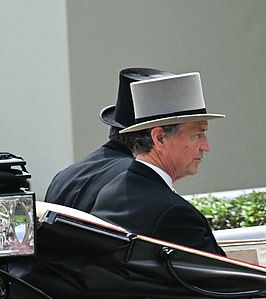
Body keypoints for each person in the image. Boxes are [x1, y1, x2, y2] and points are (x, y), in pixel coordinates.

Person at [91, 72, 226, 255]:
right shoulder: (175, 214)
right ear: (160, 138)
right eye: (198, 133)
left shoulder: (111, 191)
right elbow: (221, 280)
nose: (206, 146)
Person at [44, 68, 173, 213]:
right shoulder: (136, 179)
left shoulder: (64, 175)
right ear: (159, 137)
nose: (203, 146)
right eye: (195, 133)